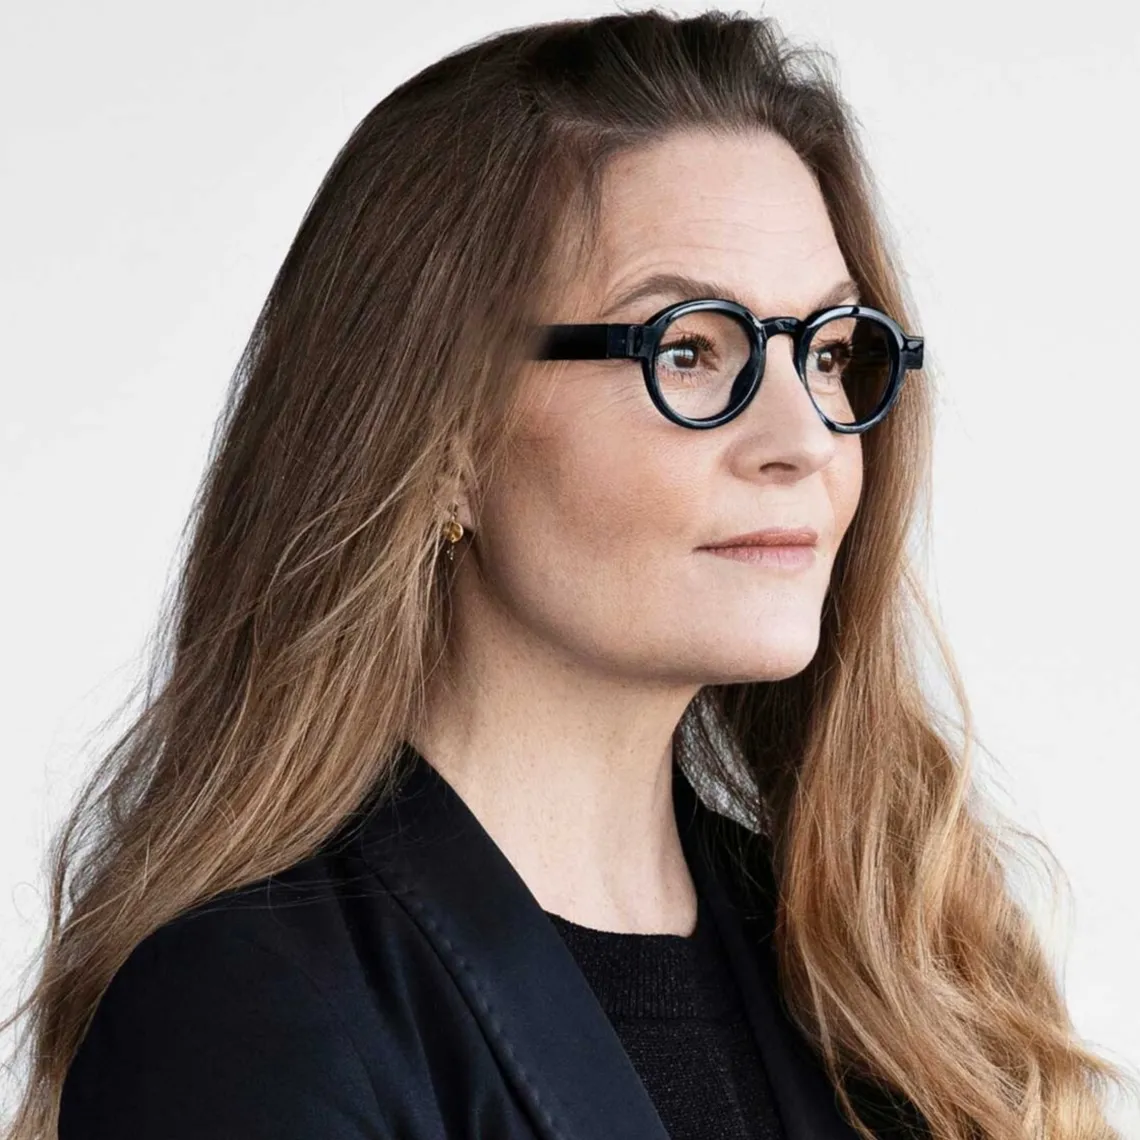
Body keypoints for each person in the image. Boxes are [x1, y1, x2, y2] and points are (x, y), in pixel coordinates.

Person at [3, 9, 1135, 1140]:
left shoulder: (893, 989)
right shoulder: (251, 1013)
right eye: (688, 348)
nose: (804, 439)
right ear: (445, 440)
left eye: (830, 352)